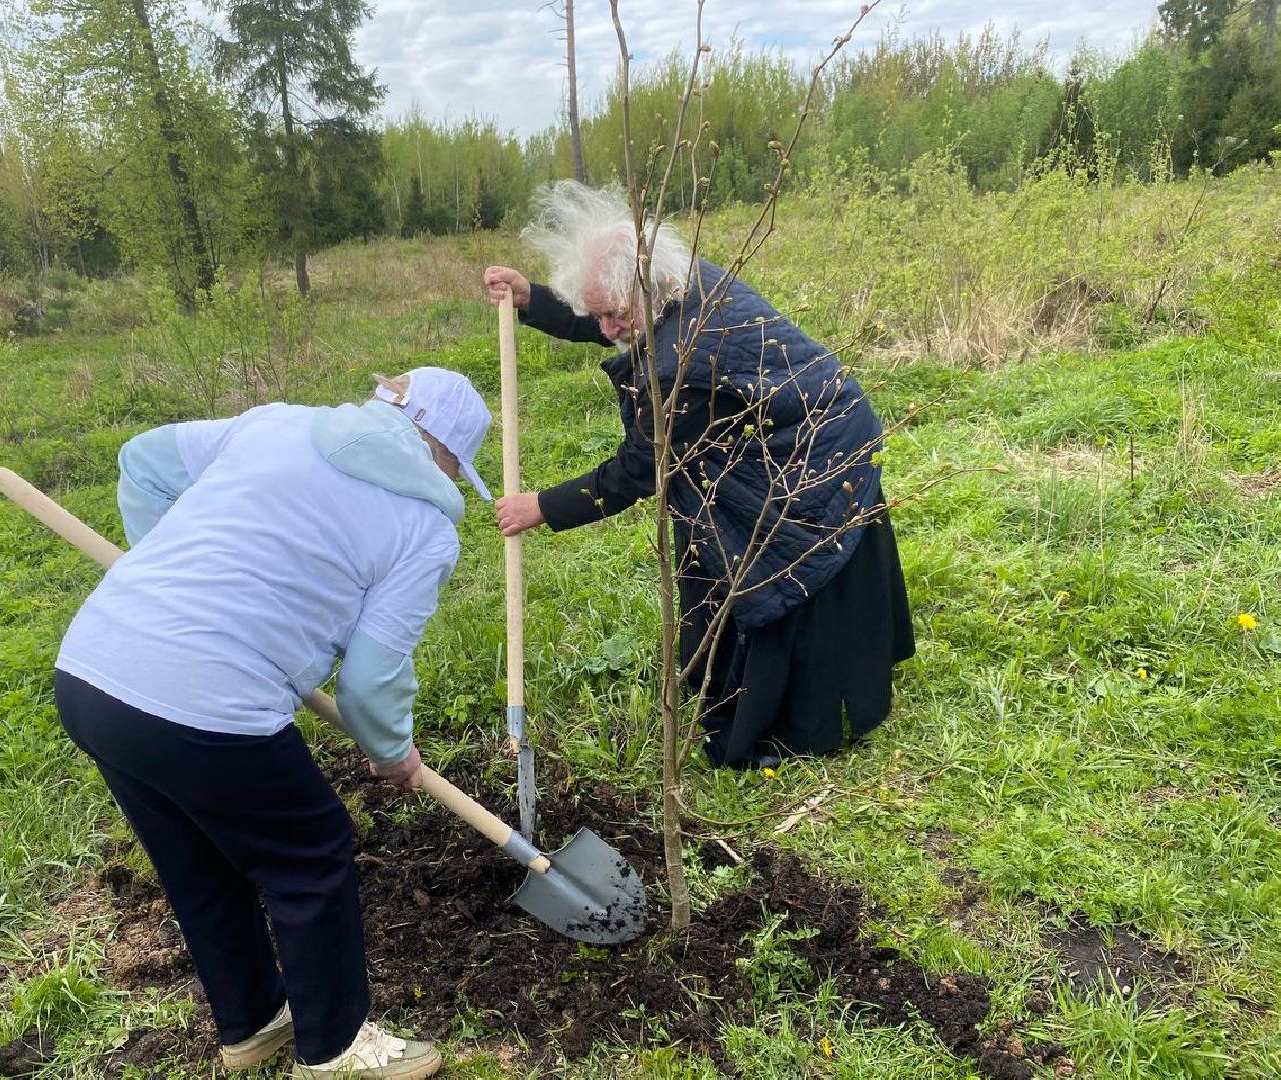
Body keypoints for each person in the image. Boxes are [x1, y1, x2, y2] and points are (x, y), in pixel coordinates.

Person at [52, 367, 492, 1079]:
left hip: (92, 673)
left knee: (199, 861)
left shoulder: (274, 424)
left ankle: (253, 1024)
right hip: (204, 704)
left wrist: (175, 577)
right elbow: (371, 679)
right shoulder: (424, 529)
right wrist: (393, 753)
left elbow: (142, 461)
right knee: (311, 853)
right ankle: (336, 1047)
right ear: (444, 455)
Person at [483, 181, 914, 771]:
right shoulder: (668, 278)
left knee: (772, 555)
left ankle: (797, 710)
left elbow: (639, 470)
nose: (606, 328)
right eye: (597, 311)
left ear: (650, 291)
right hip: (790, 421)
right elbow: (613, 318)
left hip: (816, 447)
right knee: (717, 532)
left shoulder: (684, 358)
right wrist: (533, 299)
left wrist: (544, 505)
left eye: (612, 313)